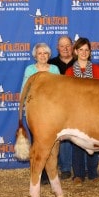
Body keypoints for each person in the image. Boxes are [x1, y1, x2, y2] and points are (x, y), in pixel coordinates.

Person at [65, 37, 99, 185]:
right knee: (77, 143)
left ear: (90, 52)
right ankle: (78, 174)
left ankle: (93, 173)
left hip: (94, 111)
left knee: (92, 142)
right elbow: (67, 93)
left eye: (86, 50)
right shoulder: (69, 71)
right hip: (76, 112)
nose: (83, 52)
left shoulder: (96, 69)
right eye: (81, 49)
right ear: (75, 51)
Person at [21, 42, 60, 185]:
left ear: (49, 55)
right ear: (35, 56)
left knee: (54, 144)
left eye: (45, 53)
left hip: (53, 111)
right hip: (36, 112)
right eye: (40, 53)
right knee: (38, 143)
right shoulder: (30, 70)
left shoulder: (54, 69)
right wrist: (25, 107)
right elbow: (24, 90)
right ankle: (39, 174)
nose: (43, 56)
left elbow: (60, 91)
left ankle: (52, 173)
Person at [48, 36, 76, 180]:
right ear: (57, 48)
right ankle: (65, 168)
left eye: (68, 45)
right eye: (62, 46)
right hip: (58, 106)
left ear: (72, 46)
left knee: (79, 136)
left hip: (78, 105)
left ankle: (79, 170)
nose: (65, 49)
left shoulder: (79, 62)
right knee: (63, 136)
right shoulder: (51, 64)